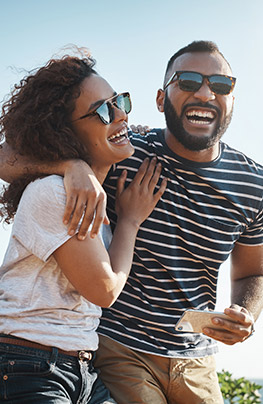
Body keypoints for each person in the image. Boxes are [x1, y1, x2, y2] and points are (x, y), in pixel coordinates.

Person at [0, 40, 263, 404]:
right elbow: (9, 155)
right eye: (187, 81)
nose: (205, 93)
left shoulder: (253, 184)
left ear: (233, 99)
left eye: (220, 85)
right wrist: (71, 166)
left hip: (193, 356)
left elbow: (253, 271)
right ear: (161, 98)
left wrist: (246, 314)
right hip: (113, 349)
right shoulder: (121, 150)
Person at [0, 50, 166, 404]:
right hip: (29, 366)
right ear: (65, 132)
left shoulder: (90, 190)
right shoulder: (54, 192)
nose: (120, 114)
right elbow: (104, 290)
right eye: (104, 111)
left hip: (79, 370)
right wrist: (131, 222)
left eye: (120, 101)